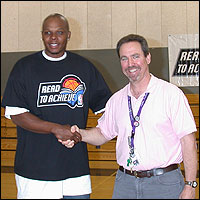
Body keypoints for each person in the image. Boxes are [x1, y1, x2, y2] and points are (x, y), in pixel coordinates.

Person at [61, 34, 198, 199]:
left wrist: (190, 185)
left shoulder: (171, 94)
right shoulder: (116, 100)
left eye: (135, 56)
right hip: (125, 184)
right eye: (124, 59)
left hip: (164, 184)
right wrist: (78, 134)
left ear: (148, 57)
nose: (130, 64)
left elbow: (188, 141)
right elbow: (102, 133)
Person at [1, 13, 112, 199]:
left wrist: (84, 134)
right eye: (48, 32)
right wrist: (56, 129)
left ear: (68, 35)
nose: (53, 38)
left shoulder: (84, 68)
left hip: (75, 170)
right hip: (34, 173)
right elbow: (17, 114)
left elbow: (108, 110)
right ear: (42, 35)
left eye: (59, 32)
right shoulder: (24, 67)